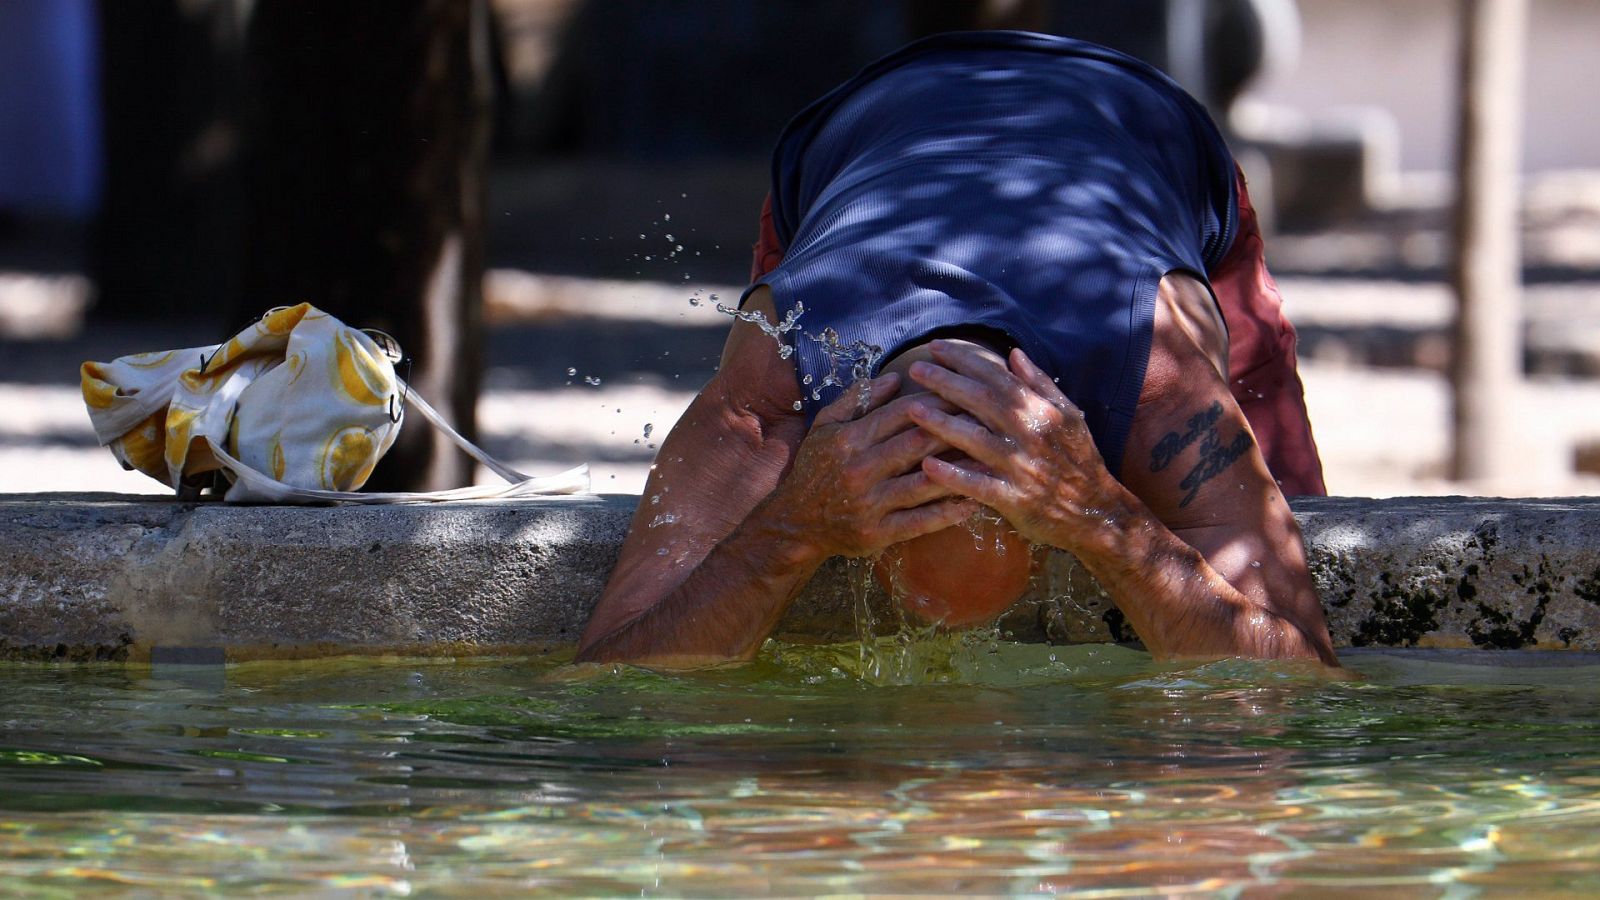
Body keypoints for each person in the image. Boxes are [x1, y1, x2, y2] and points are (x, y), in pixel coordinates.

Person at [577, 31, 1338, 668]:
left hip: (1142, 122)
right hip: (860, 129)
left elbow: (1303, 674)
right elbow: (609, 673)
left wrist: (1103, 520)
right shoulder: (777, 380)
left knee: (1298, 512)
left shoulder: (1159, 379)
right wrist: (788, 529)